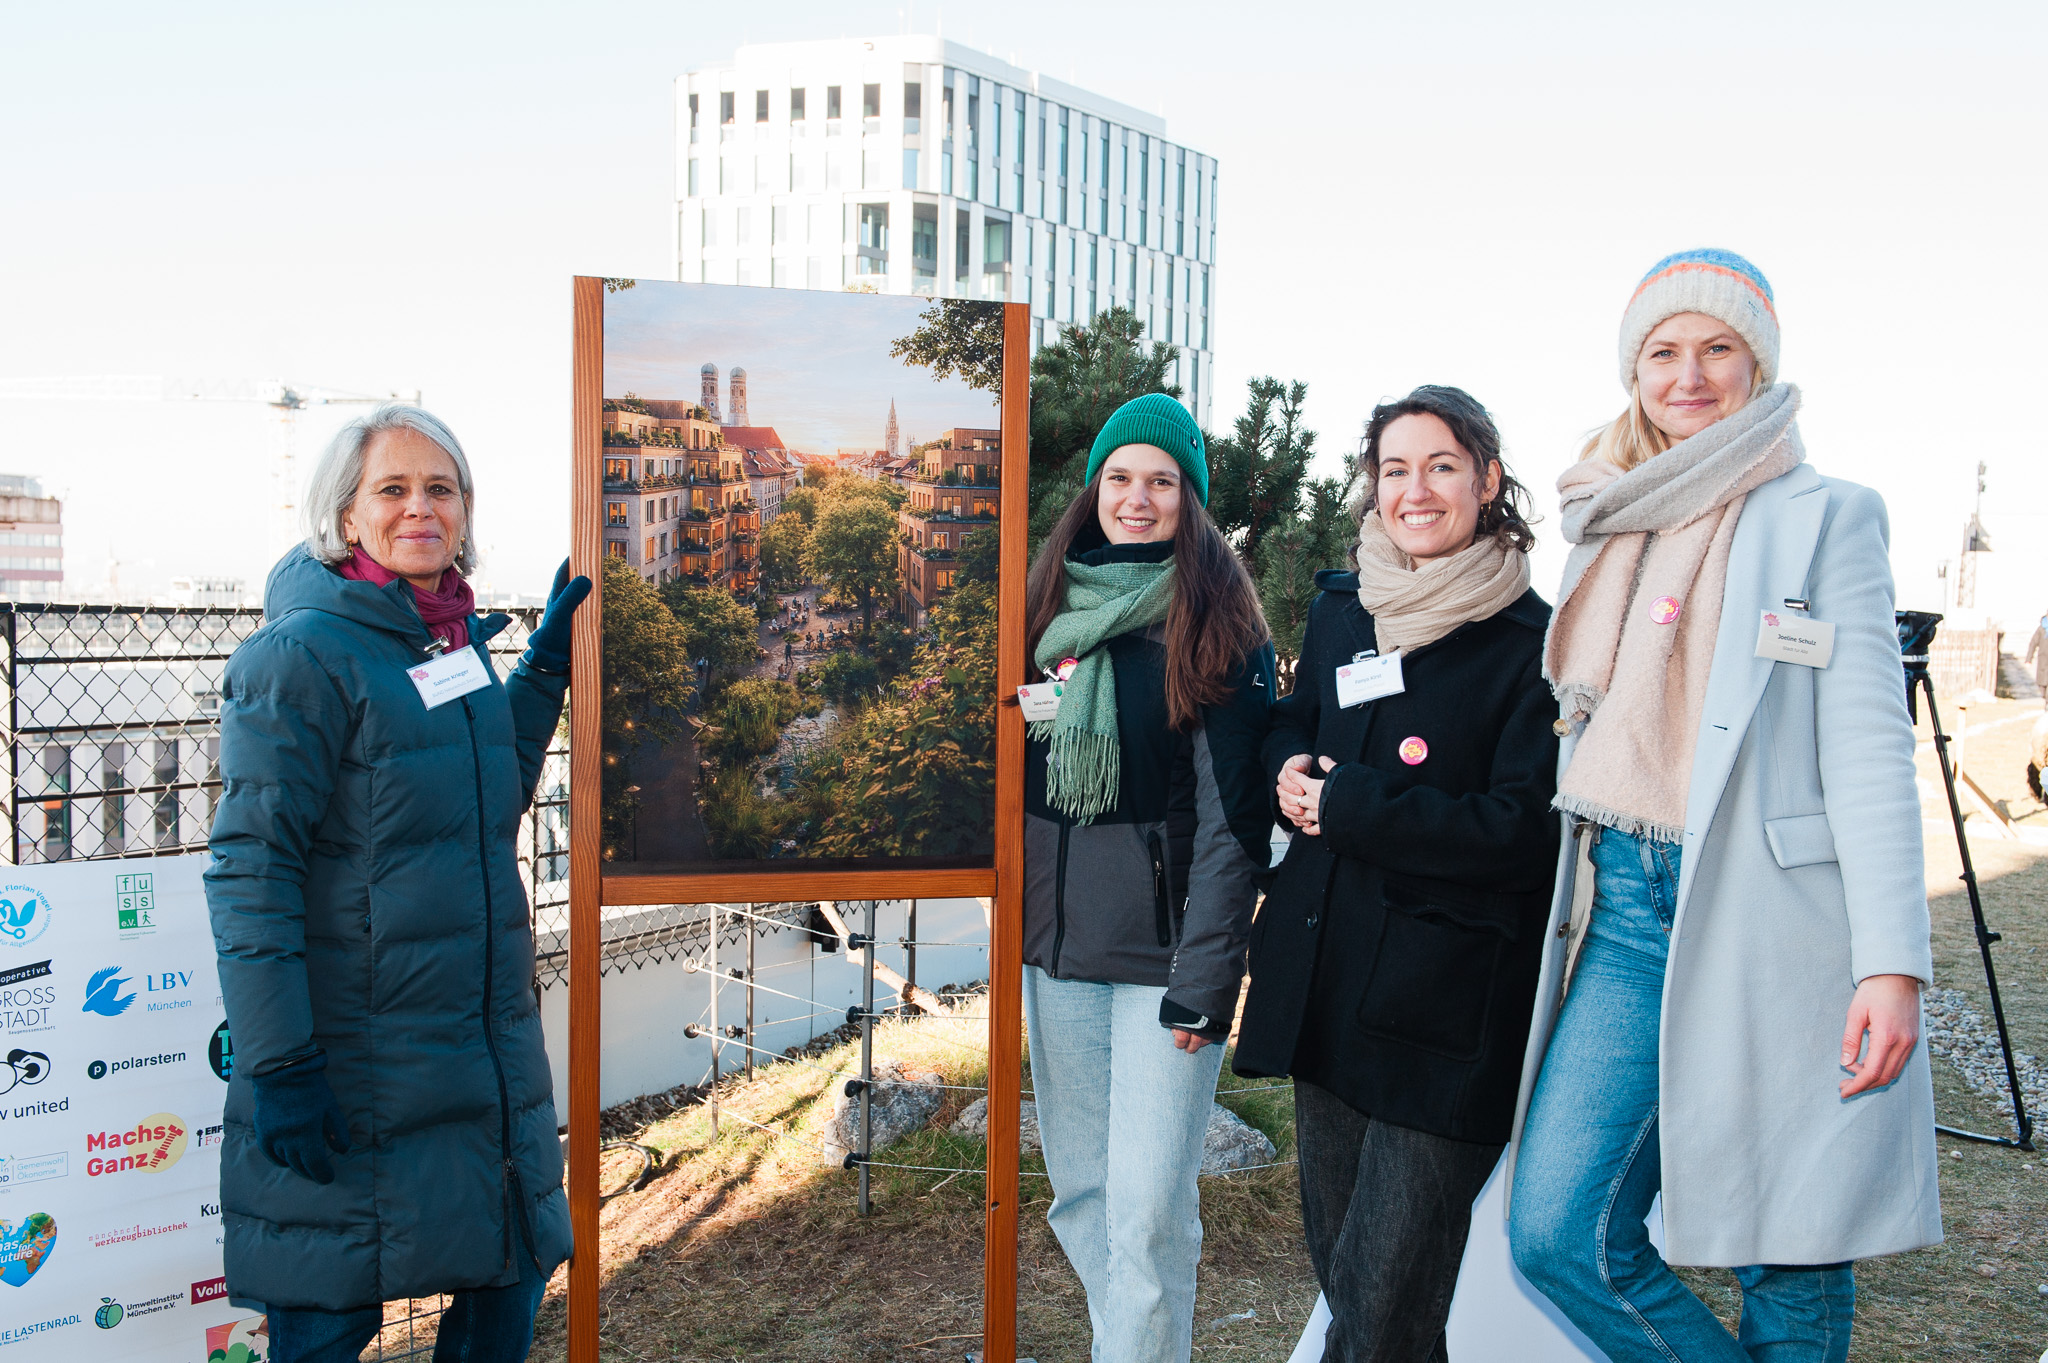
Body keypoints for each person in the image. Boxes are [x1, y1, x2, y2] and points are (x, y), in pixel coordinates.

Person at [1508, 249, 1940, 1361]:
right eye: (1663, 352)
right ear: (1633, 370)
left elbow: (1868, 747)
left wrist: (1891, 963)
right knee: (1555, 1230)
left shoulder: (1828, 516)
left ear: (1760, 363)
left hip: (1778, 913)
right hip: (1625, 910)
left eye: (1717, 348)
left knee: (1787, 1239)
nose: (1688, 375)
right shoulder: (1611, 517)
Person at [206, 405, 590, 1363]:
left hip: (474, 1054)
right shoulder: (299, 655)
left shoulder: (449, 640)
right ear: (345, 514)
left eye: (440, 488)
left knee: (509, 1286)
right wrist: (279, 1065)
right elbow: (252, 871)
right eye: (393, 488)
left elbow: (481, 798)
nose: (420, 507)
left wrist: (543, 666)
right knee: (329, 1313)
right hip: (352, 1065)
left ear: (465, 510)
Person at [1234, 386, 1558, 1361]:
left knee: (1379, 1313)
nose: (1415, 489)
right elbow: (1294, 719)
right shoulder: (1346, 610)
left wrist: (1351, 804)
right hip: (1324, 983)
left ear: (1487, 480)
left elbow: (1522, 831)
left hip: (1441, 1014)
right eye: (1394, 468)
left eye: (1441, 466)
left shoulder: (1534, 643)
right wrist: (1284, 764)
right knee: (1361, 1298)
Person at [1021, 392, 1275, 1363]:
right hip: (1057, 957)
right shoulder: (1046, 611)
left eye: (1161, 481)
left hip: (1165, 968)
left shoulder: (1218, 628)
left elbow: (1232, 828)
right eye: (1120, 477)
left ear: (1189, 499)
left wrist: (1206, 981)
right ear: (1093, 489)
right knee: (1082, 1196)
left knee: (1148, 1213)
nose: (1137, 497)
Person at [2025, 612, 2048, 708]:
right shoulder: (2041, 629)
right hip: (2043, 659)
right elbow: (2033, 643)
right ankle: (2044, 697)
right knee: (2042, 683)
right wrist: (2028, 659)